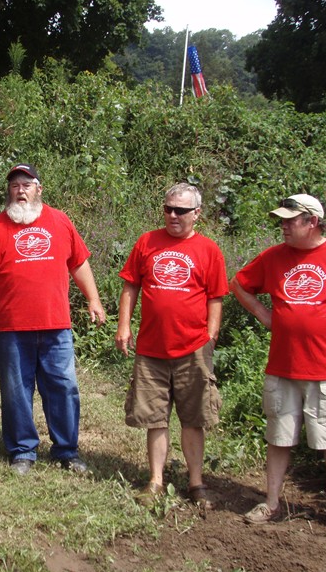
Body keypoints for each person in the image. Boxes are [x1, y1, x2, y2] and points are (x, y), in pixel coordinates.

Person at [230, 194, 326, 536]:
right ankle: (272, 502)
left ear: (312, 222)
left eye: (290, 220)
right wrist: (264, 315)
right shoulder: (274, 256)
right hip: (282, 367)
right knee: (278, 436)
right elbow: (239, 284)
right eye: (281, 219)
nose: (283, 225)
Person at [0, 163, 106, 475]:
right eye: (15, 185)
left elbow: (79, 263)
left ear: (39, 190)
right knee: (16, 389)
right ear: (9, 191)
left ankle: (67, 451)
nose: (21, 190)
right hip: (9, 326)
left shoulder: (59, 221)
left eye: (27, 185)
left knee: (63, 386)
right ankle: (23, 450)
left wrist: (94, 299)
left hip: (55, 323)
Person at [115, 183, 228, 506]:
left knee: (193, 418)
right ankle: (155, 481)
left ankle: (196, 483)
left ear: (197, 214)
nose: (173, 215)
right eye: (168, 209)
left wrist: (211, 333)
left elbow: (216, 296)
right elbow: (130, 287)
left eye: (181, 210)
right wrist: (124, 326)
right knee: (155, 417)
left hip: (193, 348)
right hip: (151, 348)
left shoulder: (209, 250)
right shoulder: (147, 242)